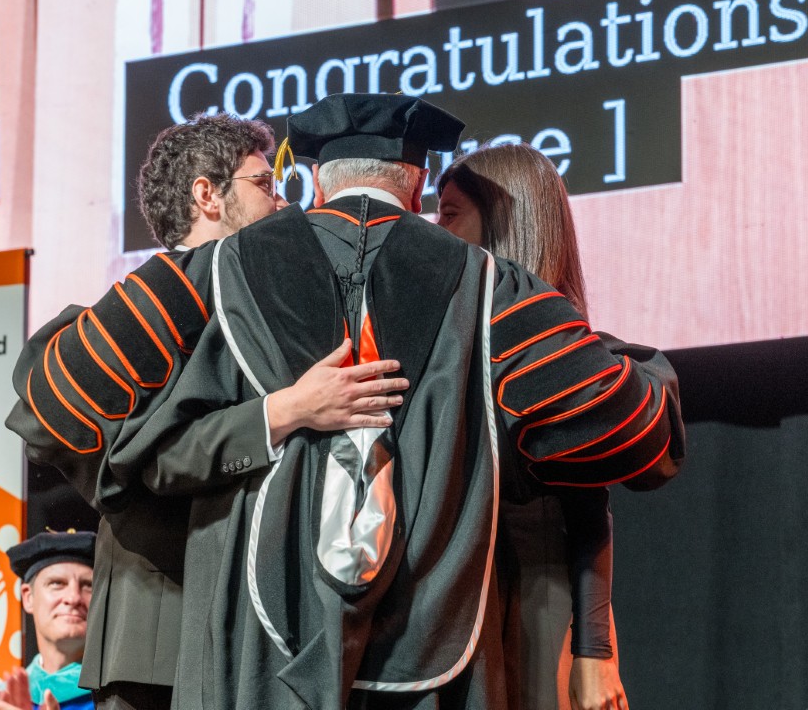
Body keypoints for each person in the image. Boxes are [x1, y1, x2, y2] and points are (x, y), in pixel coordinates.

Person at [112, 93, 682, 708]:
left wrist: (275, 417)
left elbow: (119, 434)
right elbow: (634, 423)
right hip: (434, 639)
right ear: (417, 189)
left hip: (258, 650)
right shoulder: (494, 288)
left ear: (317, 185)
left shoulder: (221, 274)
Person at [6, 111, 406, 710]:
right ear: (207, 195)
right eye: (262, 184)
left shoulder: (257, 303)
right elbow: (145, 459)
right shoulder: (144, 317)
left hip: (253, 621)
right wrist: (288, 409)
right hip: (163, 625)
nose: (279, 204)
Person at [437, 143, 684, 710]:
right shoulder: (443, 339)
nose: (433, 230)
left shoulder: (560, 360)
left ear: (505, 224)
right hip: (448, 600)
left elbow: (587, 508)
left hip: (529, 595)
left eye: (449, 215)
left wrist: (596, 653)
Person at [0, 530, 97, 710]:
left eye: (88, 586)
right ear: (28, 597)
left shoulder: (126, 702)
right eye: (57, 583)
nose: (73, 598)